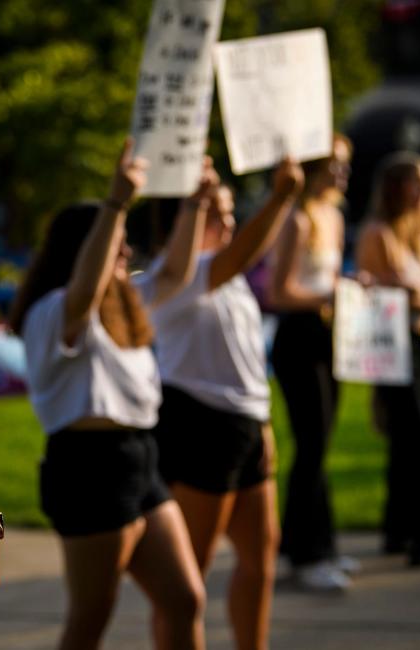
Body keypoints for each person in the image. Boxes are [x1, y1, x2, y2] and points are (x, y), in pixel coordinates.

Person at [9, 142, 214, 650]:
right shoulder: (58, 309)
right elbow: (83, 293)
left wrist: (196, 203)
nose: (126, 252)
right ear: (85, 251)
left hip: (141, 459)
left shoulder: (125, 301)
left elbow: (173, 274)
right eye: (115, 243)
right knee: (91, 621)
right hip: (89, 469)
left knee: (186, 599)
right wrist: (117, 204)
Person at [140, 159, 303, 650]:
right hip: (198, 427)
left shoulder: (226, 281)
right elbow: (244, 252)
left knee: (261, 560)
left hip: (247, 428)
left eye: (231, 212)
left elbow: (247, 368)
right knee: (187, 580)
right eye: (219, 212)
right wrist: (280, 198)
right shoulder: (173, 277)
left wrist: (264, 428)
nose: (230, 225)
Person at [268, 134, 356, 591]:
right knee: (311, 446)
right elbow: (278, 293)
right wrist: (330, 294)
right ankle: (308, 555)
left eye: (345, 165)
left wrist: (350, 290)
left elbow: (332, 280)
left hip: (329, 336)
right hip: (298, 338)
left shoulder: (334, 217)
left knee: (321, 442)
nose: (342, 173)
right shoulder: (296, 220)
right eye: (336, 164)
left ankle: (318, 543)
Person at [356, 151, 420, 567]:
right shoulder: (377, 233)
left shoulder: (418, 234)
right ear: (396, 187)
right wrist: (418, 293)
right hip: (395, 346)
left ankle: (397, 528)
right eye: (419, 184)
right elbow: (377, 292)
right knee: (417, 440)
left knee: (406, 443)